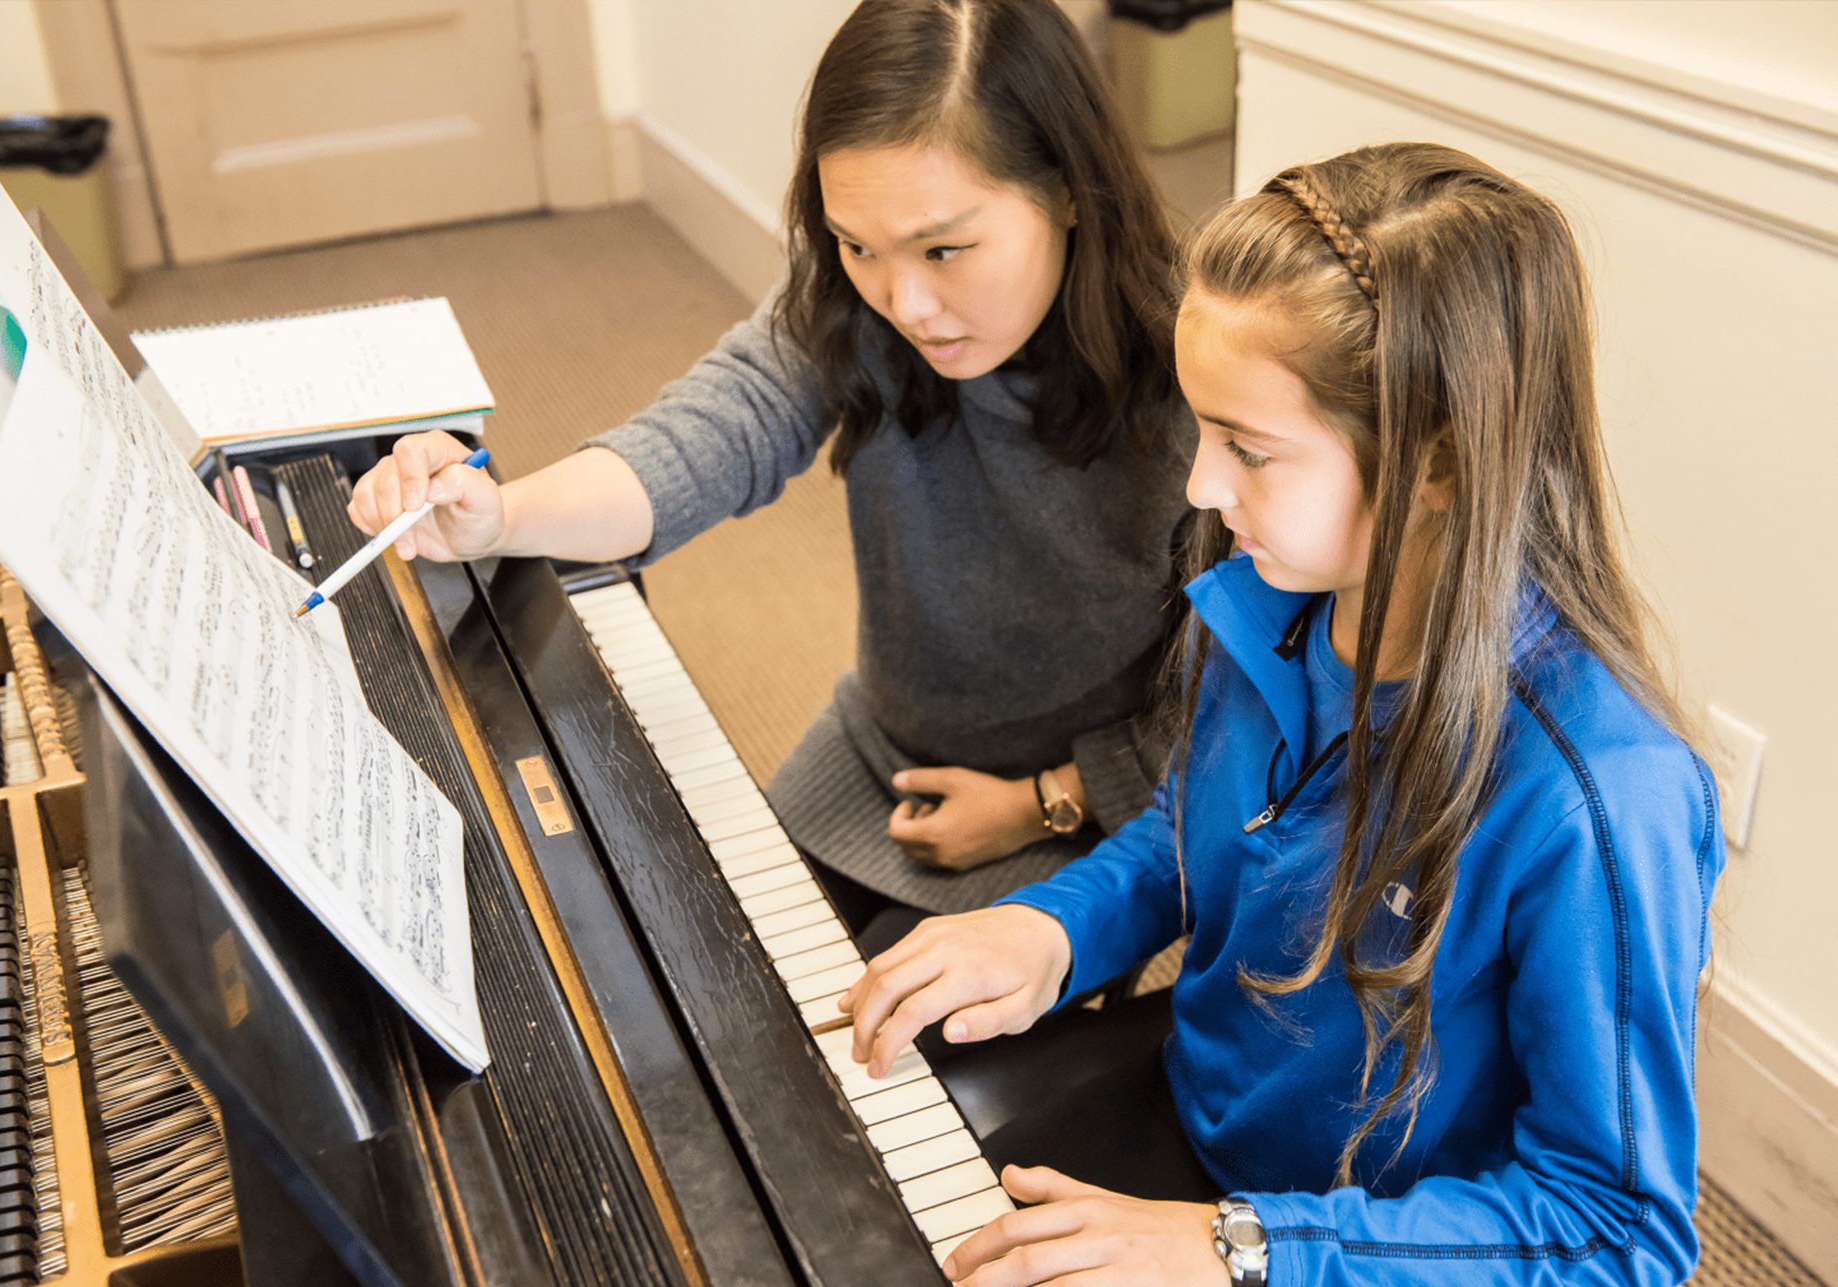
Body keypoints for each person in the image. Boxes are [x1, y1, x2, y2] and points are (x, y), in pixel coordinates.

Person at [841, 142, 1725, 1286]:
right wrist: (1052, 929)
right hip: (1201, 1126)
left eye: (1249, 450)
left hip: (1360, 1248)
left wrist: (1247, 1249)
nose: (1201, 487)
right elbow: (1192, 831)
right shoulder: (1268, 596)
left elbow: (1616, 1228)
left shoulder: (1602, 799)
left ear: (1437, 460)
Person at [347, 0, 1192, 935]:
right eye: (857, 244)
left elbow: (1251, 714)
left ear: (1069, 189)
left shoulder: (1203, 382)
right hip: (885, 748)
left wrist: (1046, 800)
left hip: (1112, 812)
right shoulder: (857, 307)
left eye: (945, 248)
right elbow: (708, 434)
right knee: (702, 951)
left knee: (880, 1060)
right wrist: (498, 514)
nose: (906, 302)